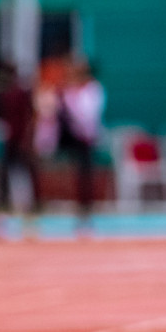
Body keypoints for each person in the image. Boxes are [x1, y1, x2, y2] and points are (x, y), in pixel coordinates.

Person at [0, 62, 42, 241]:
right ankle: (1, 224)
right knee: (4, 182)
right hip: (10, 142)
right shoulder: (4, 93)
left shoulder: (21, 93)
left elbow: (31, 117)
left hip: (20, 143)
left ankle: (29, 224)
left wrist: (28, 141)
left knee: (25, 182)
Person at [59, 58, 105, 235]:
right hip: (74, 138)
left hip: (87, 138)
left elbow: (89, 115)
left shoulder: (93, 90)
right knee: (77, 176)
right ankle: (80, 213)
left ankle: (87, 214)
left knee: (86, 176)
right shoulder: (70, 91)